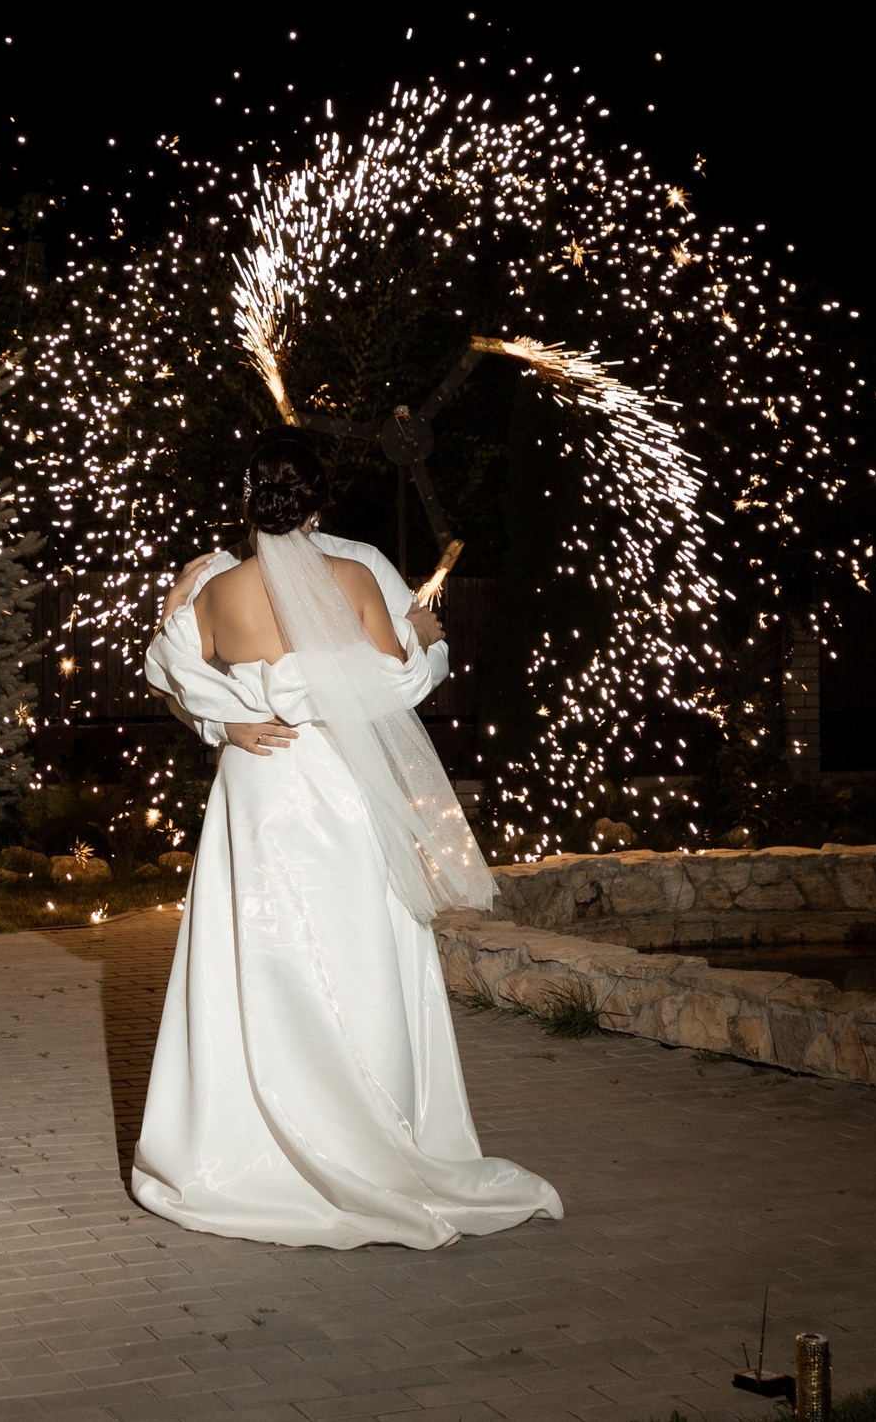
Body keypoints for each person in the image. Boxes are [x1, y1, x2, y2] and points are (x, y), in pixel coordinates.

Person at [133, 428, 562, 1248]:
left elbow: (169, 670)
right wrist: (431, 640)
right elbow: (399, 686)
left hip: (258, 787)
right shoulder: (356, 577)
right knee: (357, 943)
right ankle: (375, 1122)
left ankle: (248, 1140)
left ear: (249, 499)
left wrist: (229, 721)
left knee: (256, 949)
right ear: (317, 504)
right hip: (338, 783)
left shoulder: (215, 593)